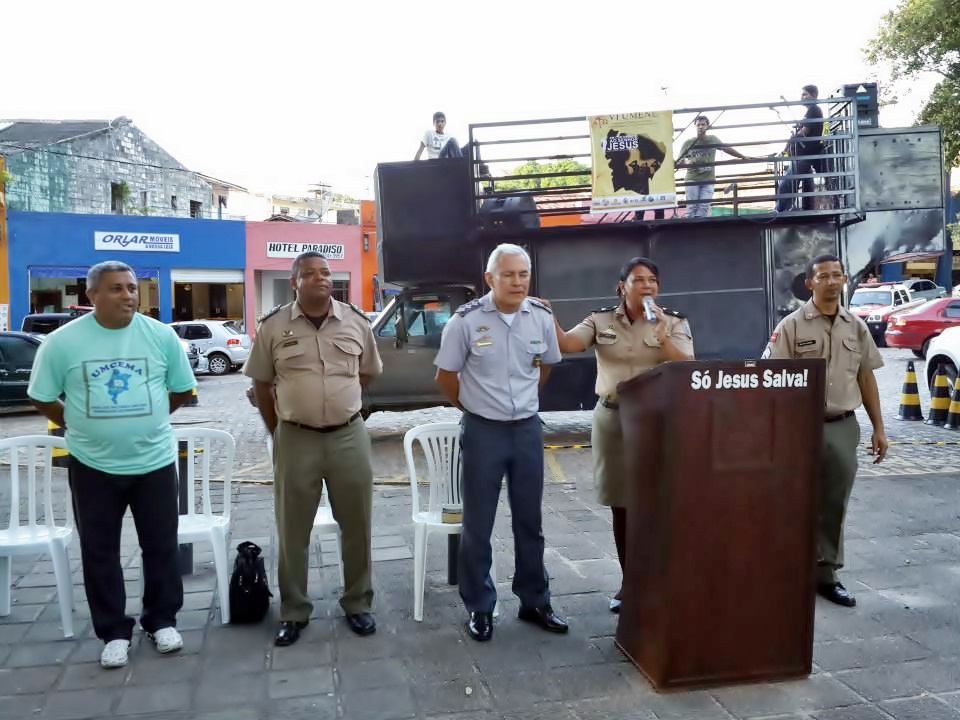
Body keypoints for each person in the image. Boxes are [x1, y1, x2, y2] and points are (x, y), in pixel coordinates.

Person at [27, 261, 196, 669]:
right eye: (117, 288)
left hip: (154, 462)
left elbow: (181, 390)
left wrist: (150, 419)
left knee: (161, 546)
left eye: (132, 288)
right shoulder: (63, 343)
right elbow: (41, 395)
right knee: (99, 551)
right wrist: (76, 422)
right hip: (93, 465)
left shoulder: (160, 336)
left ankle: (162, 621)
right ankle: (114, 632)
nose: (128, 296)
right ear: (92, 295)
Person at [243, 251, 383, 646]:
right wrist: (278, 431)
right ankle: (294, 610)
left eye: (325, 272)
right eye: (310, 273)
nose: (321, 278)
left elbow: (368, 372)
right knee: (293, 529)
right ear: (295, 282)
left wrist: (339, 400)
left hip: (348, 435)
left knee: (357, 524)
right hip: (295, 437)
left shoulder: (356, 322)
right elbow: (261, 385)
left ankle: (358, 602)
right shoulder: (273, 326)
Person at [434, 243, 567, 642]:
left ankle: (535, 600)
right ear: (489, 279)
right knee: (478, 524)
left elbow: (545, 367)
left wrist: (523, 403)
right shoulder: (465, 321)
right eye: (508, 274)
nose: (517, 282)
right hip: (483, 432)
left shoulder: (540, 317)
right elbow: (445, 377)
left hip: (526, 430)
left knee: (530, 521)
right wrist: (475, 408)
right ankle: (479, 605)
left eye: (523, 274)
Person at [548, 257, 694, 613]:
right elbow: (568, 344)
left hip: (656, 420)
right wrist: (547, 316)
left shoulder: (672, 321)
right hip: (613, 419)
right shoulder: (600, 320)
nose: (647, 286)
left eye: (652, 281)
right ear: (622, 287)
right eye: (638, 280)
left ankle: (660, 580)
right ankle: (631, 583)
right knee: (622, 503)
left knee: (657, 502)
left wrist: (662, 335)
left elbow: (686, 364)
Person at [763, 254, 888, 607]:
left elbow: (866, 377)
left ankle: (826, 575)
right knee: (793, 501)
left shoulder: (856, 327)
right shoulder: (791, 326)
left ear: (844, 280)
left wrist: (879, 428)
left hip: (842, 426)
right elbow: (771, 378)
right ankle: (787, 571)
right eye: (824, 276)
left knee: (834, 503)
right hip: (799, 429)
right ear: (810, 283)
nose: (832, 281)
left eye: (837, 275)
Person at [678, 115, 753, 218]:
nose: (700, 127)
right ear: (695, 126)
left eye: (703, 124)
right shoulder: (688, 142)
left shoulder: (713, 139)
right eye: (698, 125)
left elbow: (726, 148)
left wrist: (742, 156)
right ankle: (691, 226)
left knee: (704, 206)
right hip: (692, 179)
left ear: (708, 126)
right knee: (692, 207)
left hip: (708, 179)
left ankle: (699, 226)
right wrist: (688, 162)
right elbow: (679, 161)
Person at [776, 85, 827, 212]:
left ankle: (780, 211)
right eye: (802, 94)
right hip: (805, 154)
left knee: (785, 186)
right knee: (793, 184)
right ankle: (787, 209)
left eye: (805, 94)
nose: (802, 97)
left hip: (806, 155)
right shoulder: (812, 111)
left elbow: (804, 131)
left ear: (814, 95)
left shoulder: (814, 109)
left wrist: (789, 143)